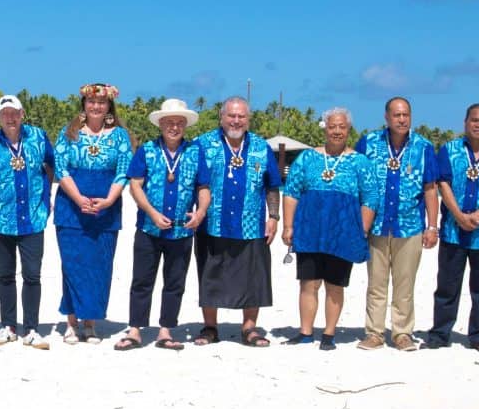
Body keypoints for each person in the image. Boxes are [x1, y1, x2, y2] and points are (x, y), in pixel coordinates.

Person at [116, 98, 210, 352]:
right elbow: (135, 184)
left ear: (185, 126)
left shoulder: (194, 151)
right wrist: (151, 212)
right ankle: (135, 329)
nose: (174, 127)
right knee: (142, 280)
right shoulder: (146, 150)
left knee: (175, 283)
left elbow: (203, 186)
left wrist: (200, 212)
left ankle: (166, 330)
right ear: (160, 124)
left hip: (181, 229)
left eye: (179, 122)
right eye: (169, 122)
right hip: (149, 227)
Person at [280, 108, 378, 350]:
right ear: (325, 127)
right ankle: (305, 332)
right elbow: (291, 192)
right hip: (309, 230)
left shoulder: (360, 161)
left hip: (343, 233)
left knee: (335, 285)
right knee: (308, 283)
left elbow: (370, 198)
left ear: (348, 129)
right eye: (332, 126)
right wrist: (288, 226)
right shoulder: (307, 158)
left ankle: (329, 334)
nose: (337, 131)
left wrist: (362, 230)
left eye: (342, 127)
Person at [423, 104, 479, 352]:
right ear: (465, 122)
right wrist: (458, 215)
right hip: (454, 231)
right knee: (447, 287)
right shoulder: (449, 151)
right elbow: (443, 183)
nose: (478, 125)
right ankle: (440, 333)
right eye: (474, 120)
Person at [353, 97, 440, 352]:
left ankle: (402, 333)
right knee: (376, 283)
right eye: (396, 115)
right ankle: (374, 333)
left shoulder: (423, 147)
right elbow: (357, 182)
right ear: (387, 117)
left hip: (410, 226)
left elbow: (430, 189)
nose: (401, 119)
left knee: (405, 284)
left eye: (406, 115)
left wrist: (432, 226)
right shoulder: (368, 143)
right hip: (377, 225)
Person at [194, 96, 282, 347]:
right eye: (231, 115)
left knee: (253, 277)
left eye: (241, 116)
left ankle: (249, 328)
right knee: (210, 276)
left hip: (251, 223)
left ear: (248, 119)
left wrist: (273, 217)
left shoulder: (260, 146)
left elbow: (272, 186)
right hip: (212, 223)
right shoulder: (203, 144)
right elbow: (193, 182)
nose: (236, 120)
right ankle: (210, 327)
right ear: (221, 117)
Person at [52, 82, 132, 345]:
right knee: (73, 265)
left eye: (101, 102)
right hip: (71, 208)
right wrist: (78, 199)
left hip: (106, 208)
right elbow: (60, 169)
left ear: (109, 106)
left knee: (99, 266)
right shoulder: (69, 132)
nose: (96, 106)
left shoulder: (120, 135)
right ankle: (72, 322)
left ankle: (91, 323)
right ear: (84, 105)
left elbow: (123, 170)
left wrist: (109, 199)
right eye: (91, 102)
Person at [0, 95, 56, 350]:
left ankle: (31, 329)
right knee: (5, 276)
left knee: (32, 276)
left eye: (14, 113)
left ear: (22, 114)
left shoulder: (39, 137)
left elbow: (53, 167)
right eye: (5, 113)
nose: (10, 118)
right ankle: (8, 326)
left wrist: (45, 195)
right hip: (3, 221)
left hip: (33, 220)